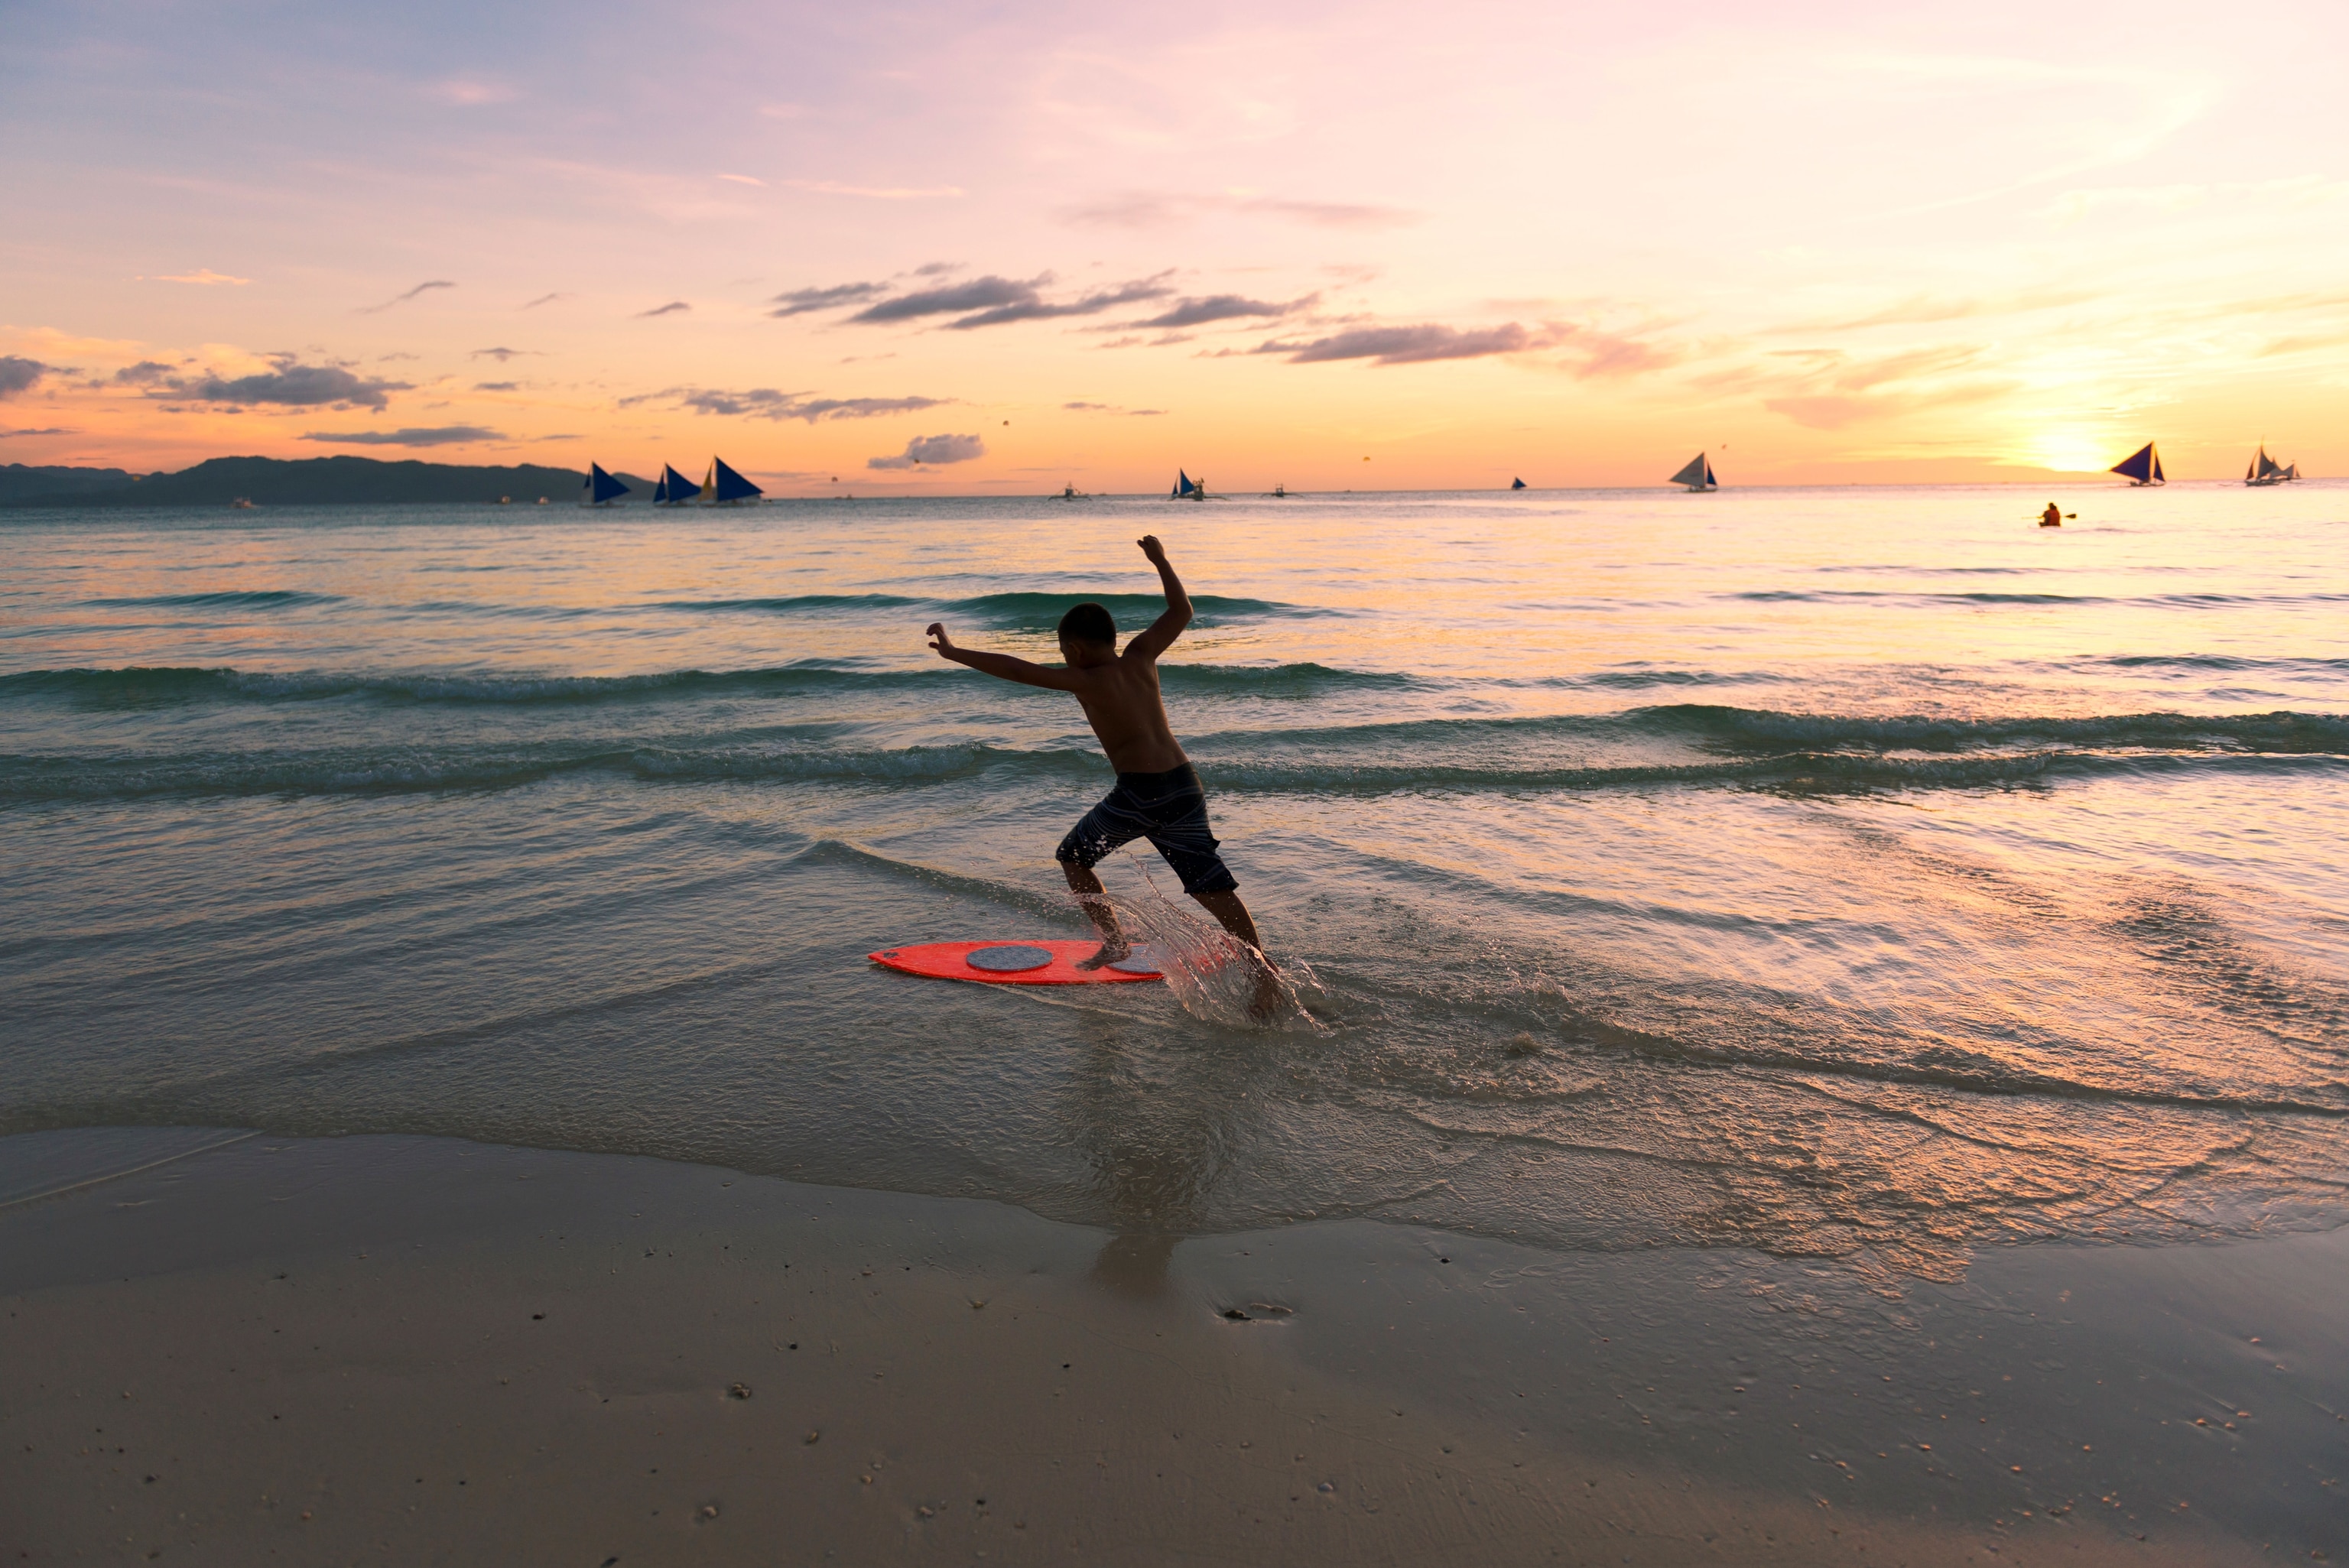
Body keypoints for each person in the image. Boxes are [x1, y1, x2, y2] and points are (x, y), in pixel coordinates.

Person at [925, 535, 1278, 1012]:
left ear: (1073, 648)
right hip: (1184, 785)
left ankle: (1114, 942)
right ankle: (1263, 969)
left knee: (1074, 856)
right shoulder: (1141, 656)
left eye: (1063, 650)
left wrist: (955, 652)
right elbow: (1183, 611)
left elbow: (1018, 670)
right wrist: (1161, 561)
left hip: (1140, 794)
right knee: (1210, 884)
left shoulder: (1085, 679)